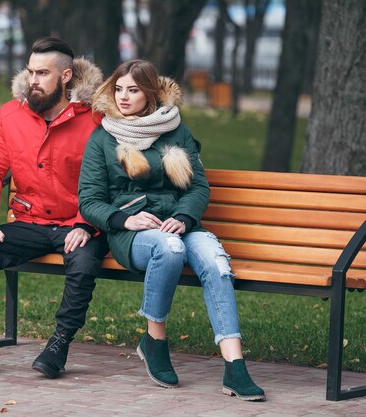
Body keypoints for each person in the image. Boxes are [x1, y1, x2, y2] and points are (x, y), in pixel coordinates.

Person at [78, 59, 265, 401]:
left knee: (216, 264)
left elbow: (198, 188)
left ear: (149, 93)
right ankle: (155, 340)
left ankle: (235, 366)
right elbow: (89, 200)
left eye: (133, 90)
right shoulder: (102, 137)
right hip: (133, 234)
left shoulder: (176, 130)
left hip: (178, 224)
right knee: (170, 248)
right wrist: (124, 220)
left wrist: (184, 217)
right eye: (118, 89)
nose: (123, 97)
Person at [0, 37, 108, 379]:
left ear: (67, 76)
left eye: (43, 73)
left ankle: (59, 343)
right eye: (30, 71)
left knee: (84, 264)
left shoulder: (96, 119)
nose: (33, 80)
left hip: (81, 224)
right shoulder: (10, 115)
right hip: (30, 221)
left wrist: (86, 224)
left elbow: (111, 182)